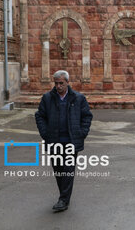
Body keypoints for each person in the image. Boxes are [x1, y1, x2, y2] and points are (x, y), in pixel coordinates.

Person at [35, 70, 93, 212]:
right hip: (54, 141)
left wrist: (82, 133)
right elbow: (40, 116)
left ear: (67, 82)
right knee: (59, 172)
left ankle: (63, 200)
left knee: (68, 171)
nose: (58, 86)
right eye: (56, 83)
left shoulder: (78, 98)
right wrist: (44, 133)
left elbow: (87, 116)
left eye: (61, 83)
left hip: (71, 142)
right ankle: (64, 197)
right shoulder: (48, 98)